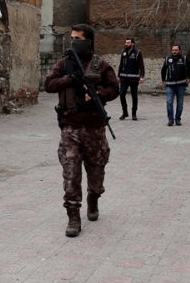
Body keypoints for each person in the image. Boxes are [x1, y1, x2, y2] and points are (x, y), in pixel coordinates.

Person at [43, 24, 119, 237]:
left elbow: (115, 88)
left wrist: (97, 93)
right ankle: (73, 217)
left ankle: (93, 199)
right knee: (71, 174)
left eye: (78, 38)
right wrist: (71, 80)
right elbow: (49, 85)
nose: (73, 41)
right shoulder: (64, 64)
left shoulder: (100, 64)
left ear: (88, 41)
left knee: (96, 173)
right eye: (72, 37)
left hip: (95, 129)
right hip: (70, 128)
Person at [161, 44, 190, 126]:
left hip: (181, 85)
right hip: (170, 85)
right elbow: (163, 70)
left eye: (176, 50)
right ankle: (170, 119)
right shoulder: (168, 59)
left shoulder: (183, 59)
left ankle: (178, 119)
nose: (174, 52)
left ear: (179, 51)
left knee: (180, 103)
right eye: (173, 50)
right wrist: (163, 80)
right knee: (169, 102)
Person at [117, 37, 145, 121]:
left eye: (128, 43)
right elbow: (121, 64)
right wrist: (119, 76)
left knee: (134, 97)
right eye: (126, 42)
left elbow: (141, 65)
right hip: (124, 78)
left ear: (133, 44)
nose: (126, 44)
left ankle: (134, 113)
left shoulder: (137, 53)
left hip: (134, 79)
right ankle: (125, 112)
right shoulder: (123, 52)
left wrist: (142, 76)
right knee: (121, 95)